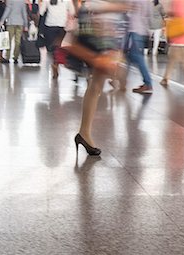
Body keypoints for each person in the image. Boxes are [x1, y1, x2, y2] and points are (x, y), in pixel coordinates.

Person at [75, 0, 128, 155]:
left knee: (96, 86)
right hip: (101, 37)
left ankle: (84, 132)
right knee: (98, 84)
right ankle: (84, 132)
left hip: (108, 36)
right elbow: (93, 6)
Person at [160, 0, 184, 87]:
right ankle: (165, 78)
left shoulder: (177, 1)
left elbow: (171, 13)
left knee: (182, 60)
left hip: (179, 36)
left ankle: (166, 78)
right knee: (180, 59)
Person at [39, 0, 74, 78]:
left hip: (49, 26)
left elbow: (41, 11)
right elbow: (72, 12)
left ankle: (54, 63)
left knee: (51, 48)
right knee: (58, 46)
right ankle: (56, 63)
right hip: (62, 26)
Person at [125, 0, 153, 94]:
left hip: (134, 30)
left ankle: (148, 83)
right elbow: (149, 15)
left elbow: (126, 9)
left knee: (136, 57)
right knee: (128, 56)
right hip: (141, 30)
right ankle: (122, 80)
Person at [0, 0, 28, 64]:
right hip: (20, 23)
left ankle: (8, 57)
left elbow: (7, 11)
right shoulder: (22, 1)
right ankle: (16, 58)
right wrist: (26, 25)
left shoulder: (10, 1)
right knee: (18, 41)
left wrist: (2, 20)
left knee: (8, 41)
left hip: (11, 22)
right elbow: (24, 13)